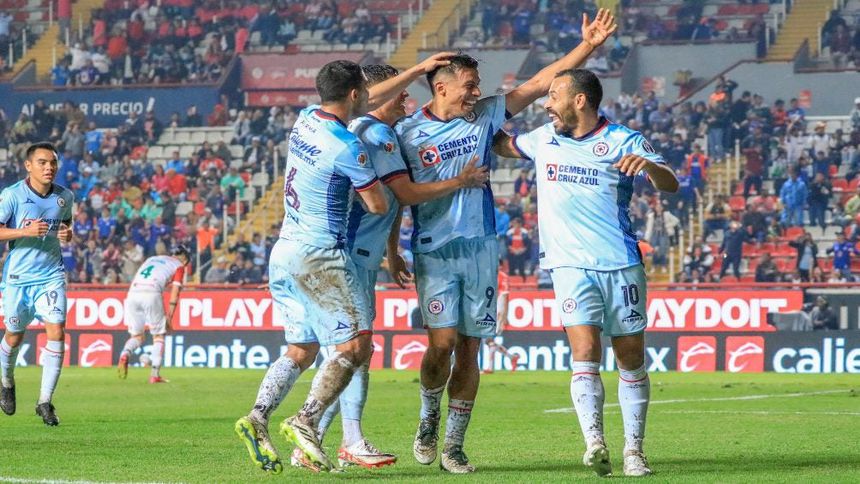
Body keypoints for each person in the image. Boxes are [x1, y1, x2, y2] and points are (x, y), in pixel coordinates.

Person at [395, 9, 617, 474]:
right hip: (434, 250)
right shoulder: (407, 133)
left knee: (471, 347)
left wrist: (589, 46)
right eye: (469, 85)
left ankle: (454, 445)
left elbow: (538, 83)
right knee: (441, 344)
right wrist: (390, 249)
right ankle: (428, 415)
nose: (477, 92)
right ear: (441, 87)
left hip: (481, 249)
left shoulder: (484, 115)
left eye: (478, 85)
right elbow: (399, 194)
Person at [234, 54, 455, 474]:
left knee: (302, 349)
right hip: (322, 254)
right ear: (355, 94)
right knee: (356, 345)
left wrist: (413, 71)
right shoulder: (350, 146)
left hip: (285, 250)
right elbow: (378, 204)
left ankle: (258, 417)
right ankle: (308, 421)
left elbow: (368, 99)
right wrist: (383, 177)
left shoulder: (305, 120)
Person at [292, 64, 489, 472]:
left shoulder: (363, 129)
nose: (407, 97)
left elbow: (394, 201)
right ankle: (334, 435)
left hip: (355, 254)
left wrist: (393, 248)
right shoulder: (373, 134)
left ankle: (313, 439)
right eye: (399, 91)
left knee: (352, 352)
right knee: (354, 351)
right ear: (371, 93)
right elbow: (399, 195)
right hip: (350, 256)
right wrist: (460, 181)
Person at [492, 68, 679, 477]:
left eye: (553, 95)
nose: (547, 104)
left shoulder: (624, 140)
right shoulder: (543, 138)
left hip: (620, 264)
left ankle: (634, 450)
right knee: (585, 352)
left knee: (630, 358)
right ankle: (595, 442)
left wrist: (649, 166)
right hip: (568, 265)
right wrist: (470, 117)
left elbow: (670, 183)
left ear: (579, 100)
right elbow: (502, 145)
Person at [0, 142, 75, 426]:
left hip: (50, 275)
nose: (49, 167)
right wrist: (25, 231)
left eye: (53, 163)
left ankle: (45, 402)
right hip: (18, 278)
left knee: (57, 331)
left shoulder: (64, 196)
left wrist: (67, 234)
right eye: (42, 162)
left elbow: (65, 225)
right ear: (28, 166)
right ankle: (6, 381)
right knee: (14, 336)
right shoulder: (12, 195)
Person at [116, 244, 190, 383]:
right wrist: (169, 316)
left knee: (137, 336)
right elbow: (175, 292)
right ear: (184, 258)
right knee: (159, 336)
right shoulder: (179, 266)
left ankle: (125, 353)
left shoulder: (151, 259)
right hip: (151, 293)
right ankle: (155, 374)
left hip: (132, 294)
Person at [481, 268, 519, 374]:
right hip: (490, 312)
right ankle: (512, 358)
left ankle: (490, 368)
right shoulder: (489, 275)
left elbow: (505, 297)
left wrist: (504, 316)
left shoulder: (502, 277)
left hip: (498, 313)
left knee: (489, 340)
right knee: (488, 341)